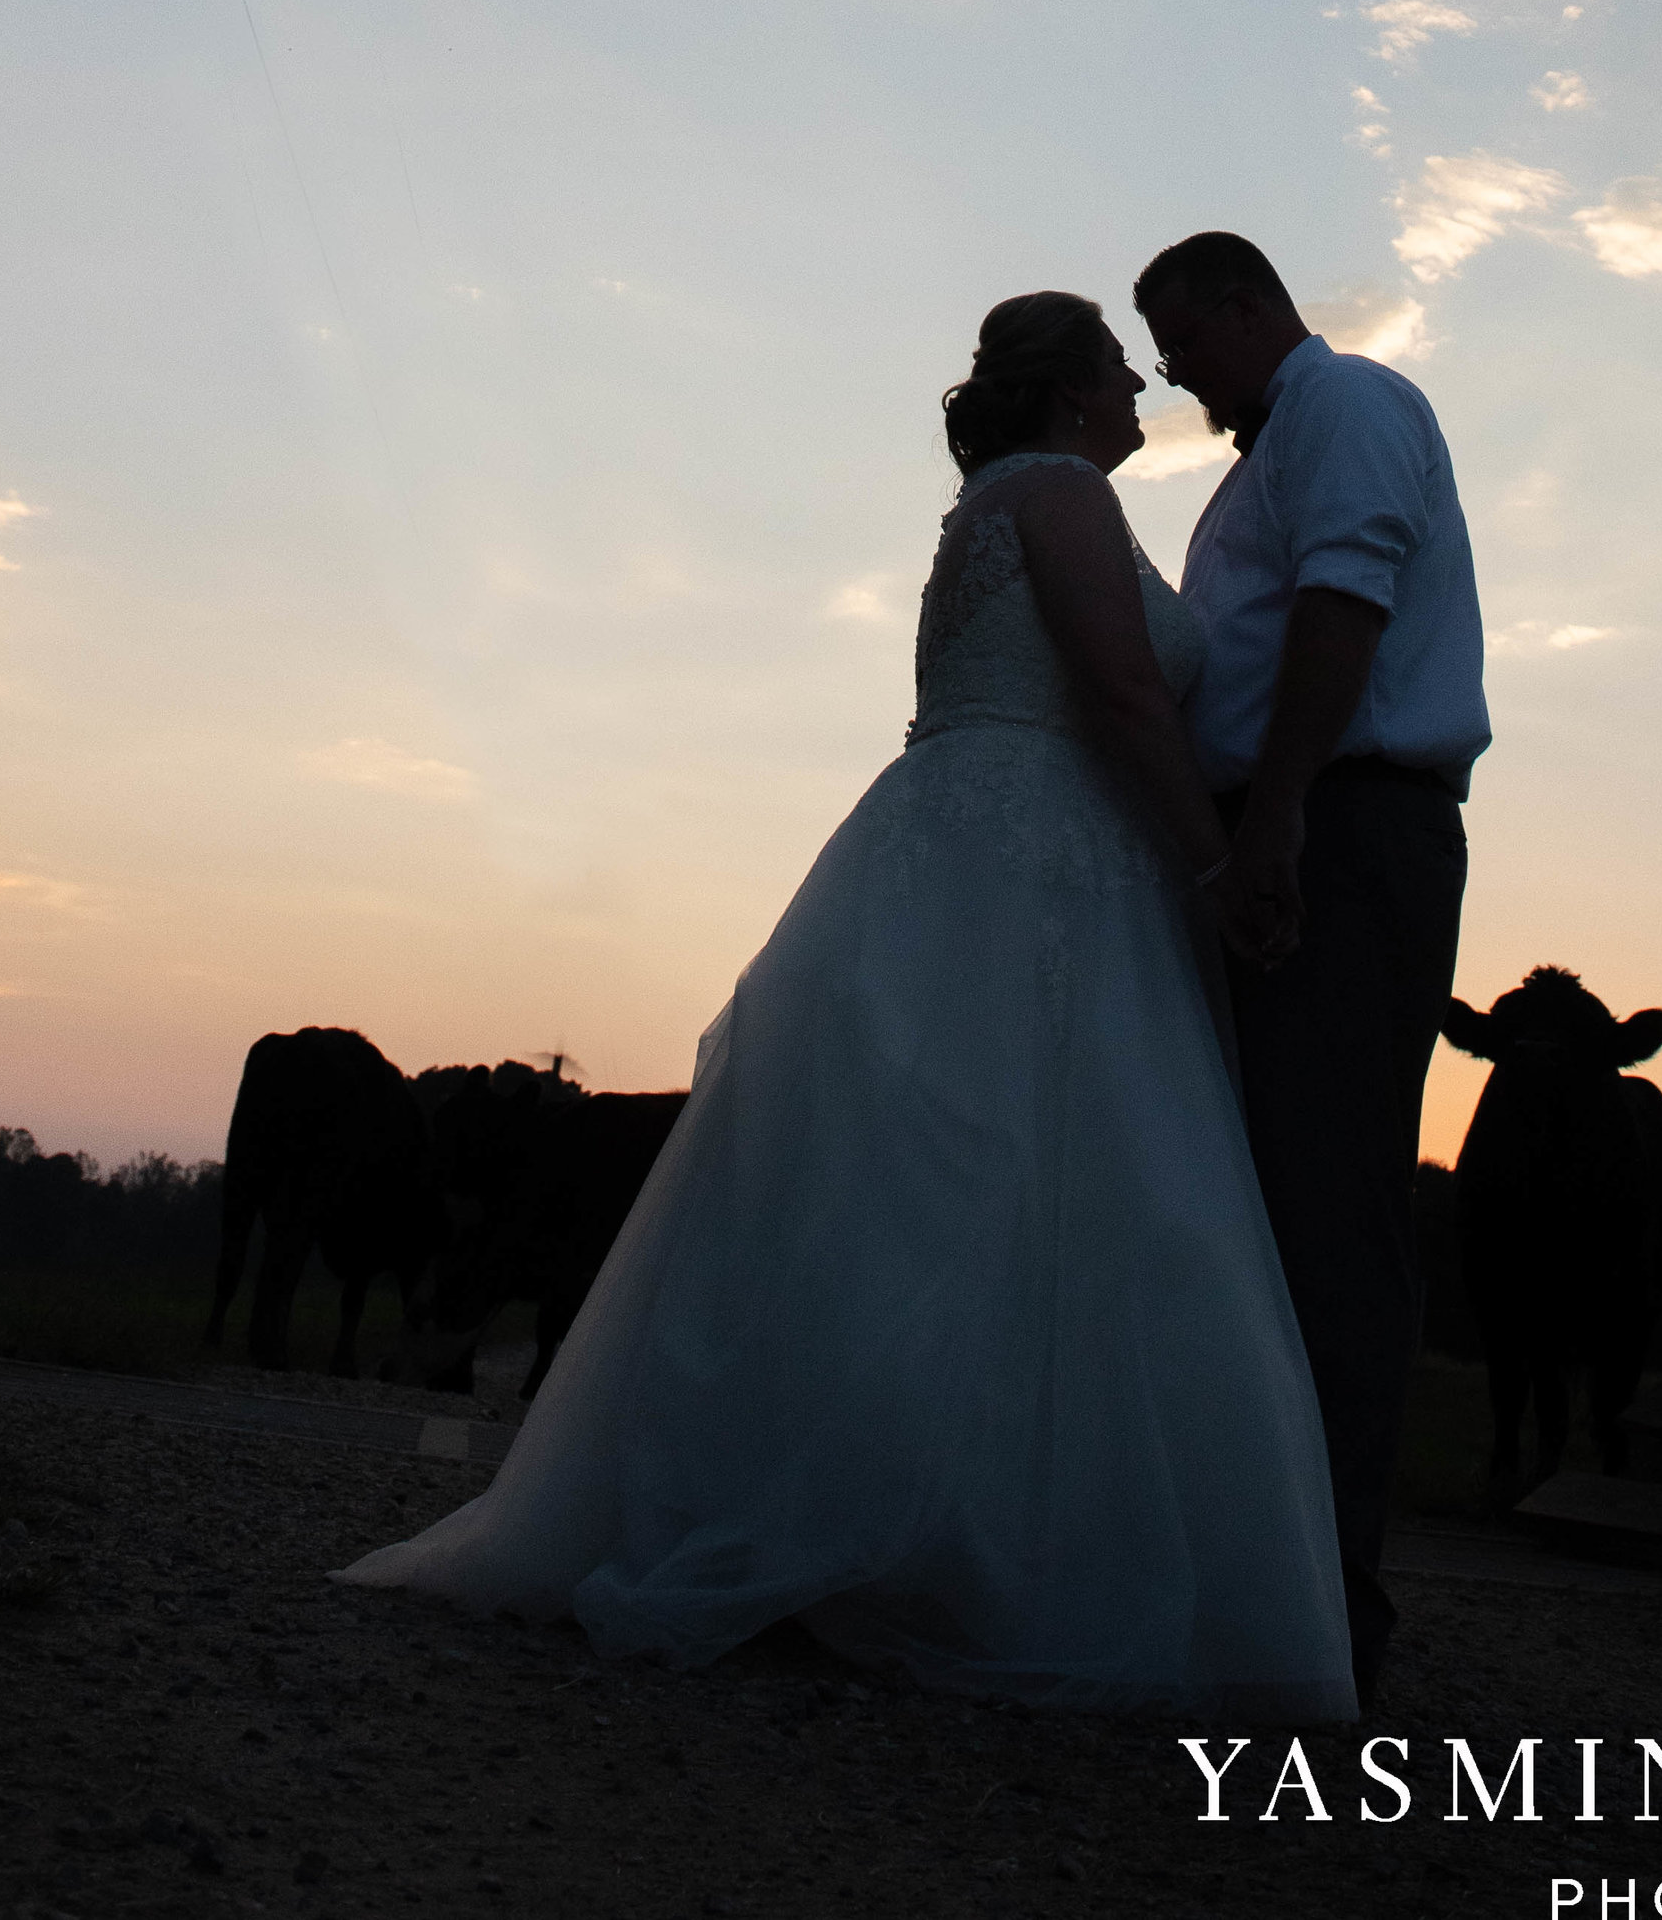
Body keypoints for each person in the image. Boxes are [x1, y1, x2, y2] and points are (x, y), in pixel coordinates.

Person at [338, 292, 1352, 1716]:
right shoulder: (1059, 492)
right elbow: (1125, 693)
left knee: (927, 1195)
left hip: (958, 837)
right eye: (1124, 371)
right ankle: (973, 1552)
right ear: (1069, 396)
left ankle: (909, 1521)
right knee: (1051, 1190)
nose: (1145, 392)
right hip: (1035, 860)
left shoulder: (997, 498)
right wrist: (1212, 864)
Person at [1132, 230, 1485, 1707]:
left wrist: (1273, 815)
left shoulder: (1347, 410)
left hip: (1345, 830)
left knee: (1330, 1210)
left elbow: (1348, 607)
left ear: (1239, 303)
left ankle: (1331, 1607)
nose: (1174, 379)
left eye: (1179, 344)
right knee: (1270, 1204)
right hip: (1292, 828)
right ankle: (1261, 1570)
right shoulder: (1253, 470)